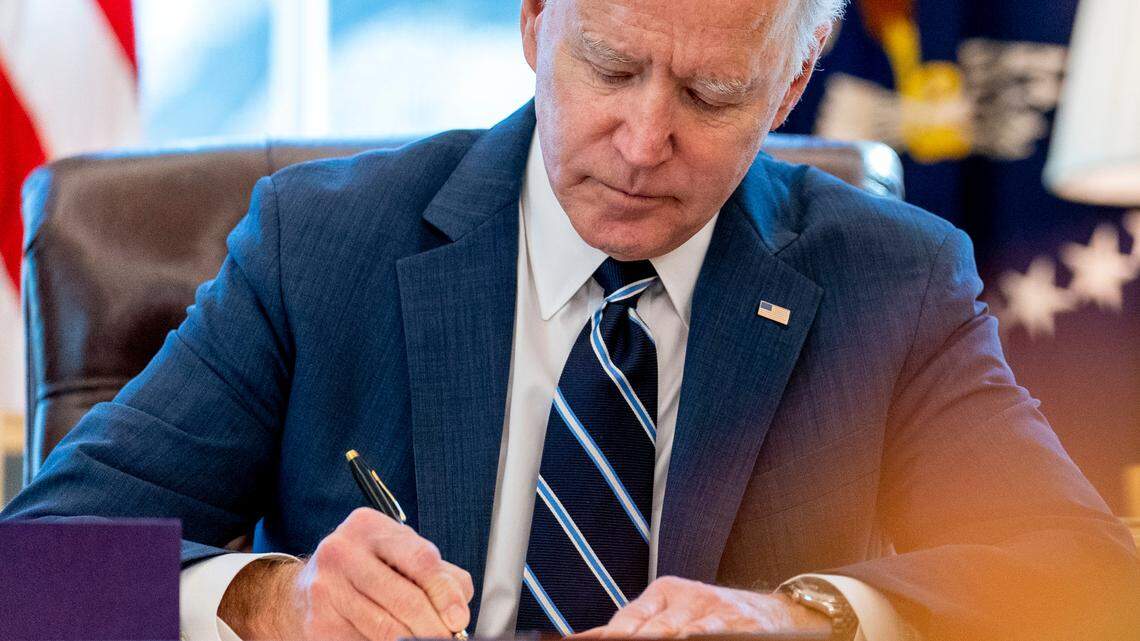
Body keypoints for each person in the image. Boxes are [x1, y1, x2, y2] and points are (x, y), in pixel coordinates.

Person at [4, 0, 1139, 639]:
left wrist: (809, 621)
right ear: (536, 22)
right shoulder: (322, 245)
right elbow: (33, 570)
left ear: (791, 89)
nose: (645, 142)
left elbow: (1086, 576)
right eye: (608, 66)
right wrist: (269, 596)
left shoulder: (893, 279)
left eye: (711, 95)